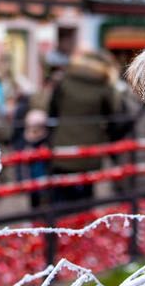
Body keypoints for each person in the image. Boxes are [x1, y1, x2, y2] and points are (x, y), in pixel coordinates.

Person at [48, 48, 124, 205]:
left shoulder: (65, 81)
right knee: (85, 199)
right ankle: (82, 226)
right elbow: (113, 118)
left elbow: (52, 112)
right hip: (90, 152)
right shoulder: (104, 86)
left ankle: (58, 226)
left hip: (62, 149)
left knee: (59, 195)